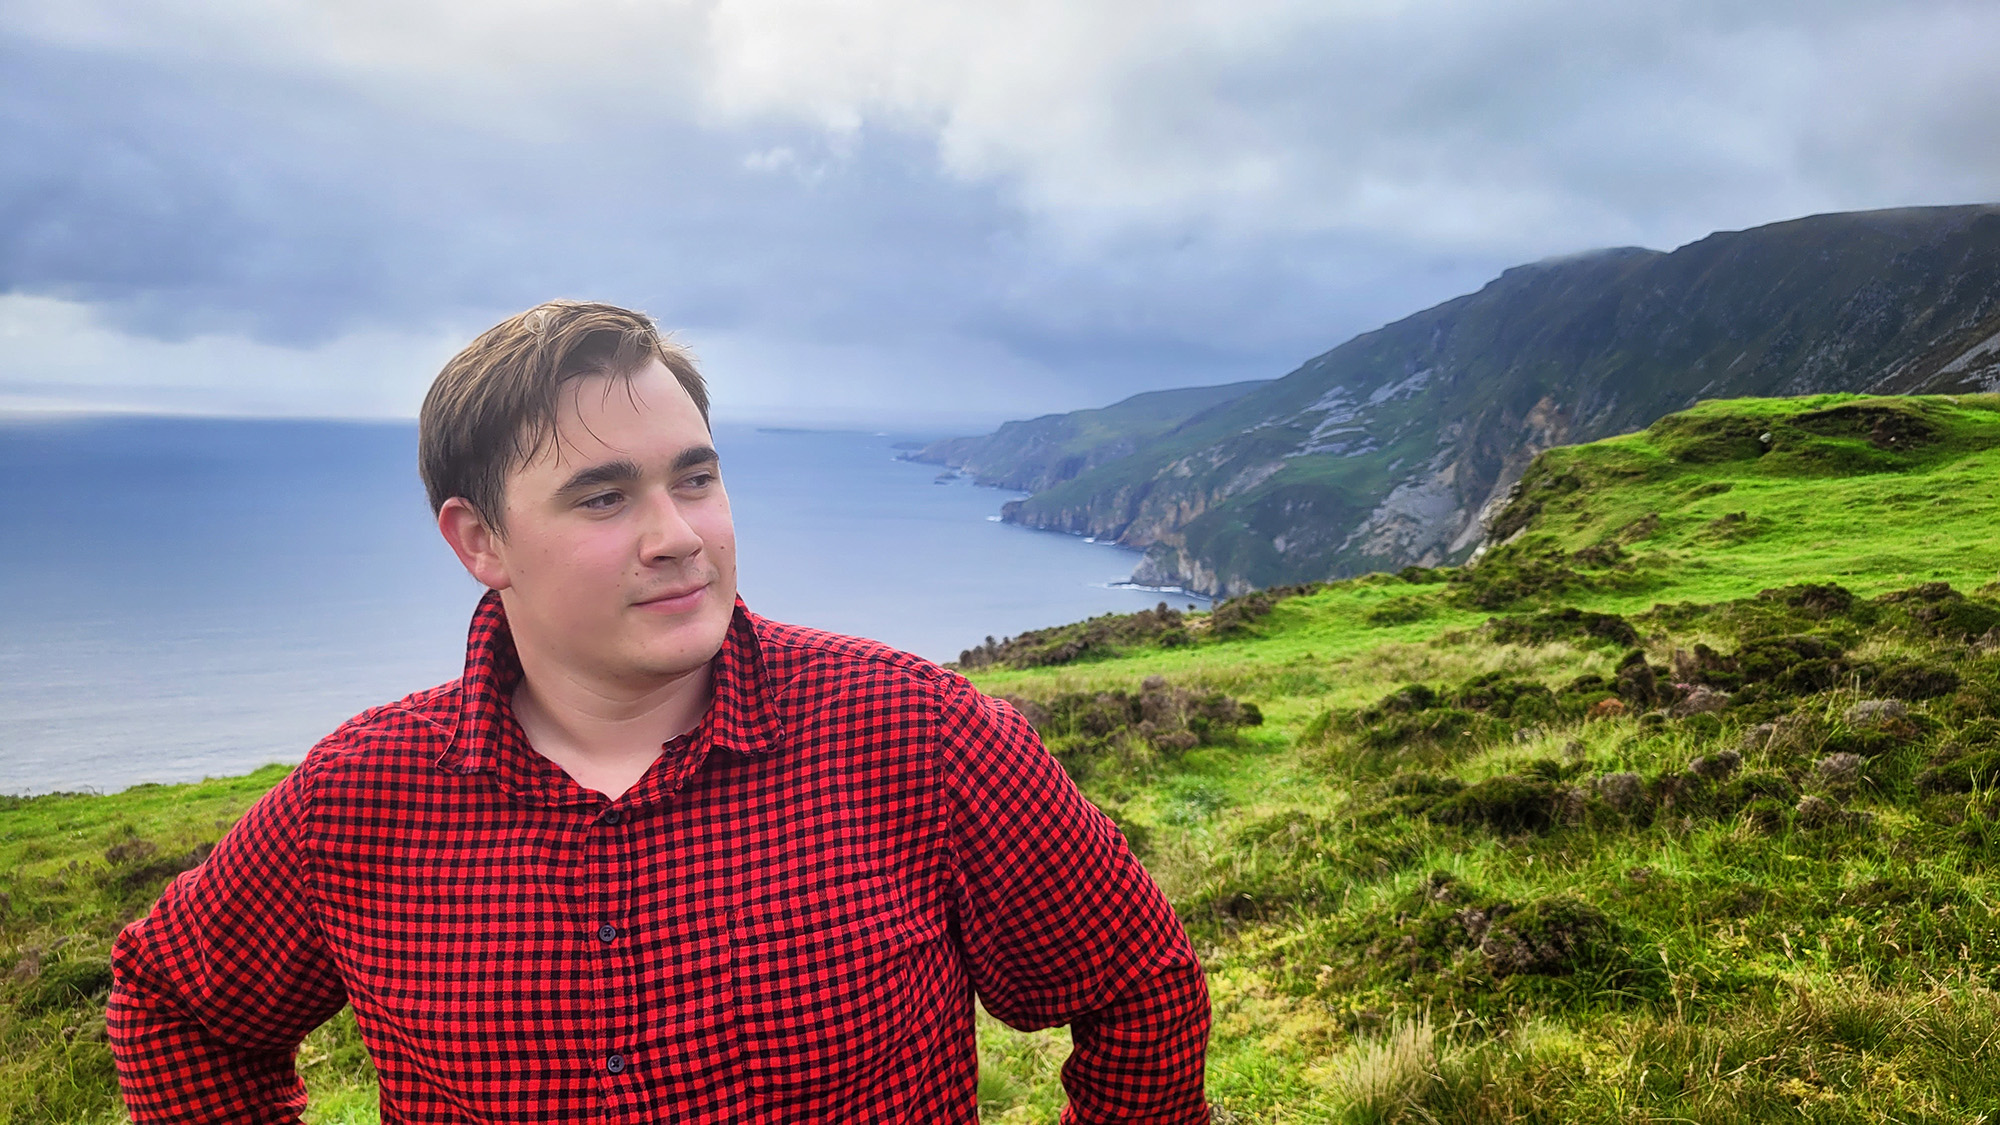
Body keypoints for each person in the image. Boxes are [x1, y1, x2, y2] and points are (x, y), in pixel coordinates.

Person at [107, 300, 1211, 1122]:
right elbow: (174, 1008)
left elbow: (1141, 997)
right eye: (603, 496)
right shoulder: (360, 795)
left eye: (694, 478)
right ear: (477, 541)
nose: (679, 533)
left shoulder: (920, 736)